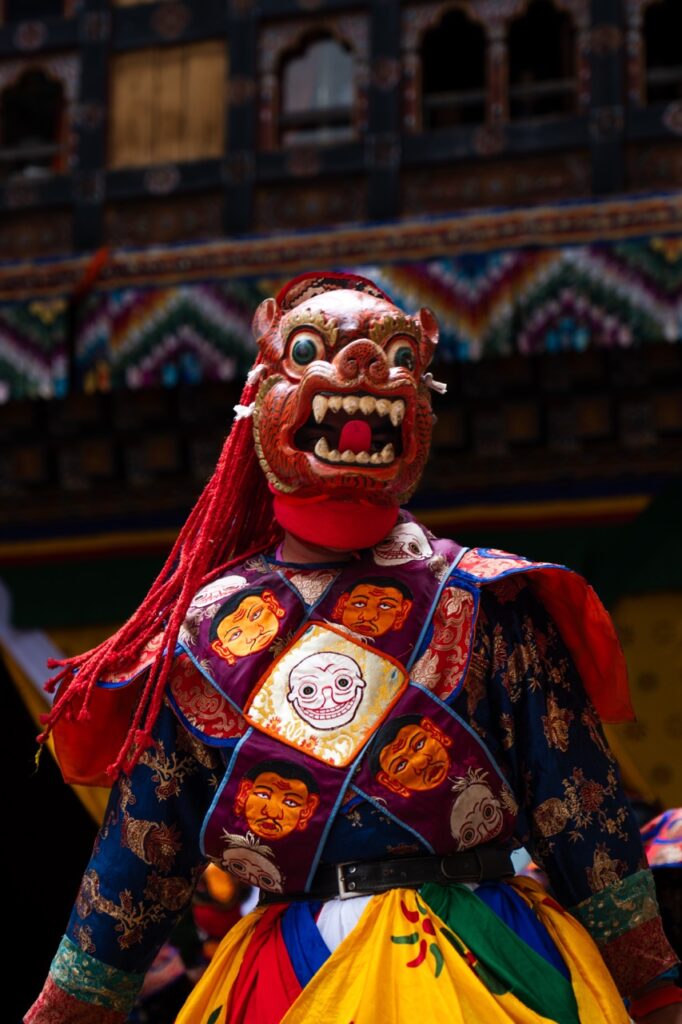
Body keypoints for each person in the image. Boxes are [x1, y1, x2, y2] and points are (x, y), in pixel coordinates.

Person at [26, 272, 680, 1023]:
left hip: (480, 950)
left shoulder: (489, 598)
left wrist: (654, 990)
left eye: (399, 354)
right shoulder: (203, 632)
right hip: (287, 969)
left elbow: (581, 809)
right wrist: (68, 1008)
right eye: (310, 351)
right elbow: (143, 854)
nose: (369, 367)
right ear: (259, 399)